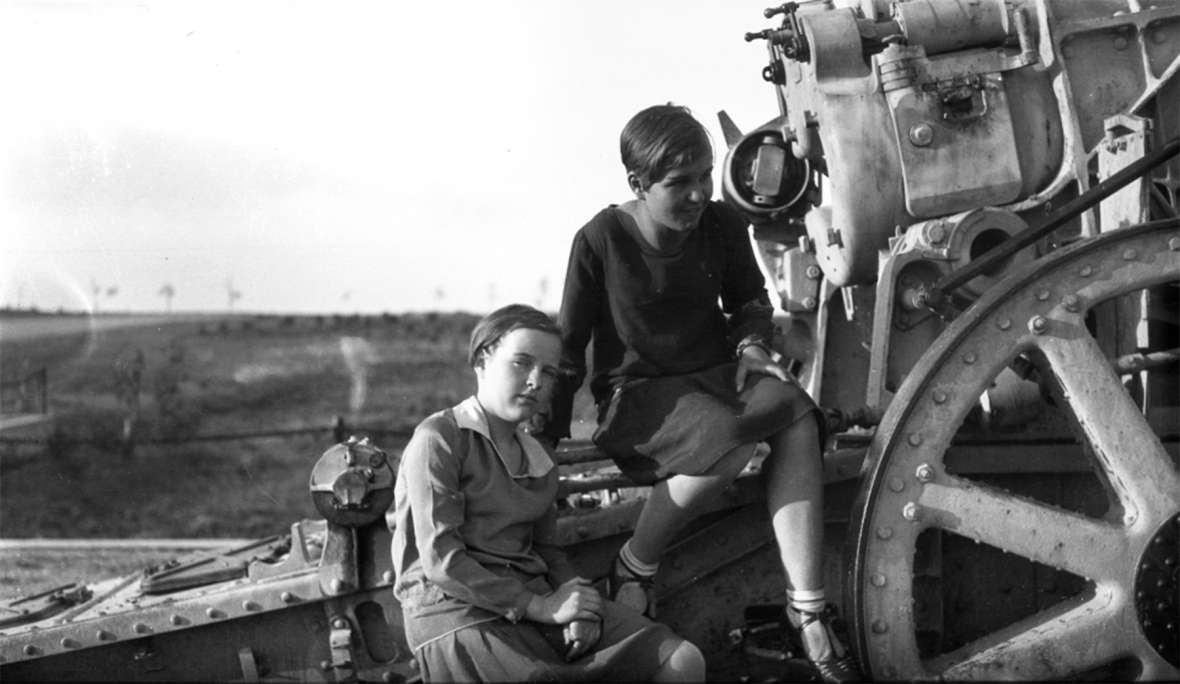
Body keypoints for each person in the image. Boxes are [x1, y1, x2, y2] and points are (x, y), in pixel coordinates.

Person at [541, 105, 861, 683]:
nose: (696, 195)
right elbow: (568, 347)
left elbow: (747, 302)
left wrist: (752, 348)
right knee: (729, 437)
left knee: (795, 413)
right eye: (677, 182)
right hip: (636, 396)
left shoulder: (720, 224)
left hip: (715, 379)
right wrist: (544, 441)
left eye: (704, 176)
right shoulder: (600, 239)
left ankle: (806, 607)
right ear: (638, 184)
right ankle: (635, 566)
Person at [390, 303, 705, 682]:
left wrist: (579, 606)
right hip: (457, 612)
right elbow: (441, 561)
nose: (536, 381)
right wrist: (540, 607)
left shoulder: (538, 457)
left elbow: (547, 549)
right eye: (521, 363)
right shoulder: (441, 439)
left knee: (681, 662)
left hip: (533, 599)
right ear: (482, 360)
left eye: (548, 372)